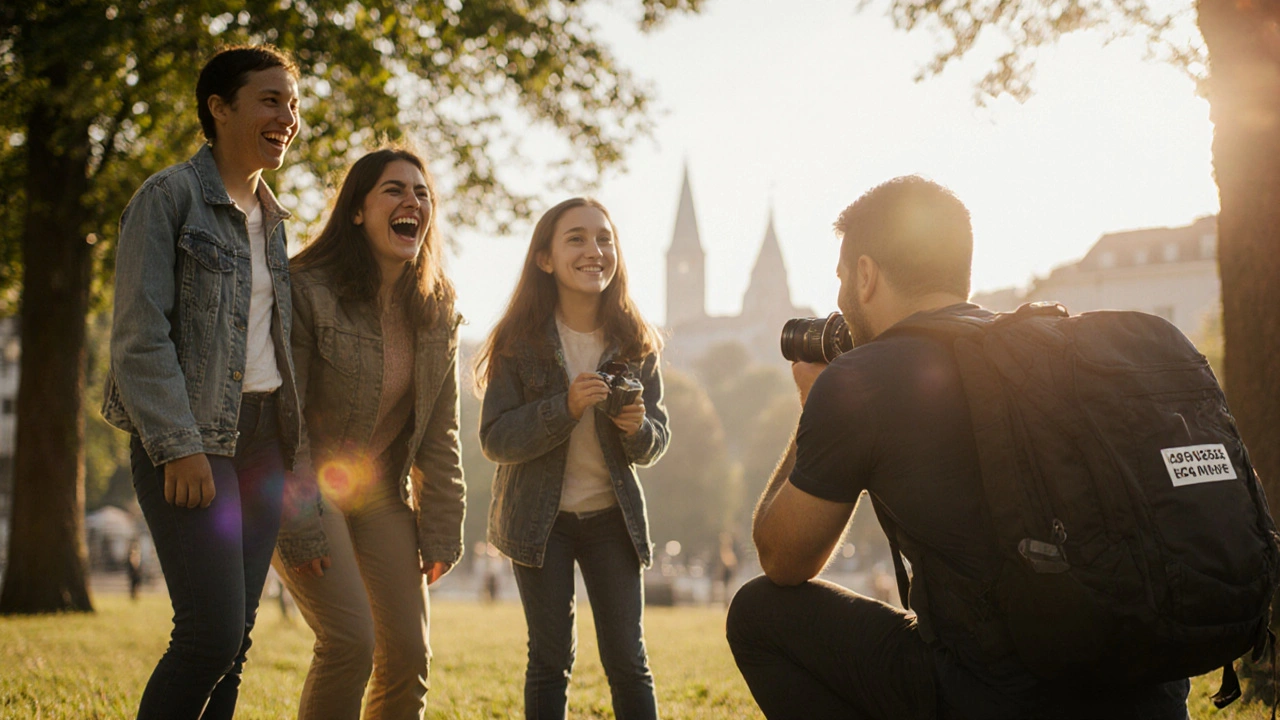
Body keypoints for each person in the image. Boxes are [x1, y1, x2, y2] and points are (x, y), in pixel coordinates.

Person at [726, 176, 1192, 720]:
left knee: (758, 613)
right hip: (1149, 695)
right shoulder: (1052, 352)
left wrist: (814, 408)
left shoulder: (866, 377)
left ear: (866, 274)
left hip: (1001, 699)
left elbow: (782, 557)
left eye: (841, 278)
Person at [101, 45, 309, 719]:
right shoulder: (169, 198)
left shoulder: (274, 220)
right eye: (270, 100)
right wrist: (178, 444)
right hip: (194, 438)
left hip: (263, 442)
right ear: (220, 109)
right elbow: (138, 338)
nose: (287, 116)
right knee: (208, 635)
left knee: (237, 642)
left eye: (294, 103)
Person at [272, 147, 465, 720]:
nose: (412, 201)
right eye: (394, 190)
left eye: (422, 192)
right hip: (306, 487)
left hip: (380, 494)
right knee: (350, 643)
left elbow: (440, 432)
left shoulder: (436, 309)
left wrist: (441, 527)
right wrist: (301, 524)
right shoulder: (307, 290)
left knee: (408, 653)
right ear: (357, 210)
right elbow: (288, 419)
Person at [476, 197, 670, 720]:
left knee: (629, 661)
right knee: (550, 659)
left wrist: (637, 430)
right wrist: (562, 408)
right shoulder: (518, 342)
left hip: (613, 521)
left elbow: (656, 438)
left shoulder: (636, 341)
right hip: (540, 525)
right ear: (546, 259)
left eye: (604, 238)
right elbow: (495, 438)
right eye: (577, 239)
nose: (595, 250)